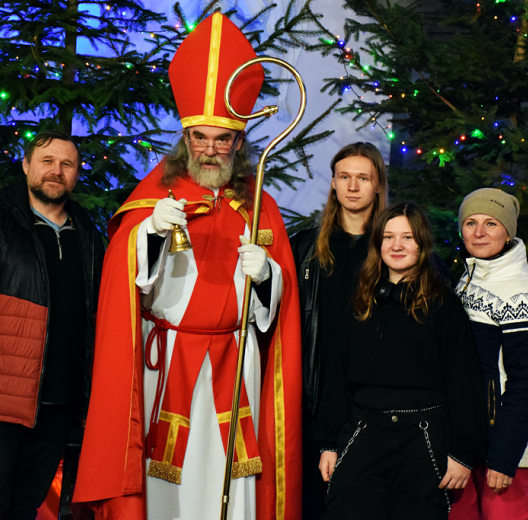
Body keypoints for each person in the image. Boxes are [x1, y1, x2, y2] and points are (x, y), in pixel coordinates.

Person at [73, 12, 303, 520]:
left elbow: (277, 310)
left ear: (240, 144)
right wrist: (149, 235)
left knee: (231, 477)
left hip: (236, 362)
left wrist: (268, 278)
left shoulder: (258, 205)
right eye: (201, 137)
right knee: (164, 484)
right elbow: (128, 282)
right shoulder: (156, 198)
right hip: (169, 360)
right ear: (186, 138)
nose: (212, 149)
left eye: (224, 140)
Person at [0, 130, 105, 519]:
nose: (56, 171)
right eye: (47, 161)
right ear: (26, 165)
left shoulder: (89, 235)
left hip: (58, 410)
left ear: (76, 174)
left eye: (67, 164)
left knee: (25, 510)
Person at [315, 203, 486, 520]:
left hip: (422, 436)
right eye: (389, 237)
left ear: (421, 244)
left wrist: (463, 452)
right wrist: (328, 442)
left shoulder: (442, 303)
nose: (397, 246)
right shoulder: (361, 299)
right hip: (364, 428)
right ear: (377, 243)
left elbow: (463, 380)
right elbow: (338, 376)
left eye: (407, 237)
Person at [289, 142, 388, 520]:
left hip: (369, 407)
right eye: (344, 177)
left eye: (363, 178)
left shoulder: (394, 251)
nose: (352, 186)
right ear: (332, 183)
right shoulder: (304, 250)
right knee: (309, 504)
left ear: (377, 185)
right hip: (310, 402)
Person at [450, 188, 528, 520]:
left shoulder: (526, 294)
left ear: (508, 231)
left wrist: (504, 456)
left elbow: (527, 385)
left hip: (504, 450)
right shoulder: (468, 280)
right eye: (470, 222)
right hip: (467, 443)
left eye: (491, 223)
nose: (479, 233)